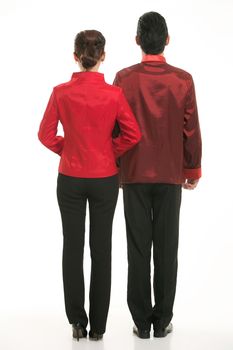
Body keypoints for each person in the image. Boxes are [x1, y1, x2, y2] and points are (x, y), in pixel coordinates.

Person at [38, 29, 141, 341]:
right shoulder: (114, 94)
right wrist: (109, 151)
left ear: (75, 57)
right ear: (103, 57)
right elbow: (132, 134)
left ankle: (77, 322)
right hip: (105, 179)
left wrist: (67, 149)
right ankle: (98, 326)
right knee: (101, 250)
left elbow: (45, 134)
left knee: (72, 248)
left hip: (69, 178)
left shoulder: (60, 92)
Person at [113, 12, 202, 339]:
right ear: (167, 39)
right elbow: (190, 129)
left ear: (138, 40)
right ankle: (162, 321)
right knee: (167, 248)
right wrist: (192, 168)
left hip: (133, 174)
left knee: (138, 249)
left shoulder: (123, 79)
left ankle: (141, 321)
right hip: (169, 175)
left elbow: (114, 128)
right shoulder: (183, 80)